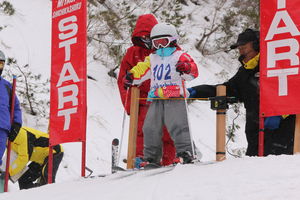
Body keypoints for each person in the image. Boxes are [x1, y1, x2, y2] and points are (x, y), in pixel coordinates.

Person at [188, 28, 295, 156]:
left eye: (244, 47)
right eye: (239, 48)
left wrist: (280, 113)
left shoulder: (278, 64)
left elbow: (294, 91)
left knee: (277, 170)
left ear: (257, 45)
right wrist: (195, 91)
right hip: (255, 134)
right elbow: (226, 89)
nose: (241, 52)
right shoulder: (244, 72)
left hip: (282, 131)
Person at [125, 23, 199, 166]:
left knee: (177, 124)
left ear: (172, 40)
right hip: (156, 97)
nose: (159, 47)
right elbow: (141, 70)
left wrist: (186, 68)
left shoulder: (179, 55)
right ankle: (151, 158)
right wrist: (131, 76)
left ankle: (186, 153)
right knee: (150, 127)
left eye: (163, 42)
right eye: (156, 43)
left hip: (174, 96)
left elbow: (193, 71)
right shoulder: (152, 58)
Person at [117, 14, 176, 166]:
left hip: (165, 96)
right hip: (142, 99)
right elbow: (123, 79)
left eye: (149, 37)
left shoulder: (168, 49)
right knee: (142, 129)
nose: (146, 41)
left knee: (167, 129)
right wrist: (130, 104)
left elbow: (180, 67)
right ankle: (141, 158)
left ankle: (169, 160)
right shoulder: (132, 53)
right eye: (142, 37)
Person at [0, 50, 22, 167]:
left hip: (2, 129)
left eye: (0, 64)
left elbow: (16, 107)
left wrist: (17, 124)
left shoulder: (7, 86)